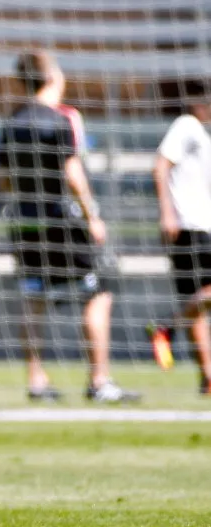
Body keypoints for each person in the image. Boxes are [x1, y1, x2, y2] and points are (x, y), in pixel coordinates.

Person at [0, 50, 140, 403]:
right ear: (52, 76)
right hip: (61, 219)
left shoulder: (12, 122)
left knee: (34, 296)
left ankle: (36, 380)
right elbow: (72, 172)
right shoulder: (59, 119)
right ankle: (99, 381)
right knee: (98, 291)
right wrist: (92, 215)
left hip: (25, 222)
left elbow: (2, 178)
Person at [147, 79, 211, 394]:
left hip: (199, 226)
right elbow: (160, 166)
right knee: (196, 302)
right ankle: (168, 325)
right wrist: (167, 213)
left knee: (194, 303)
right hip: (190, 226)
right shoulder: (186, 125)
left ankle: (207, 378)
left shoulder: (201, 133)